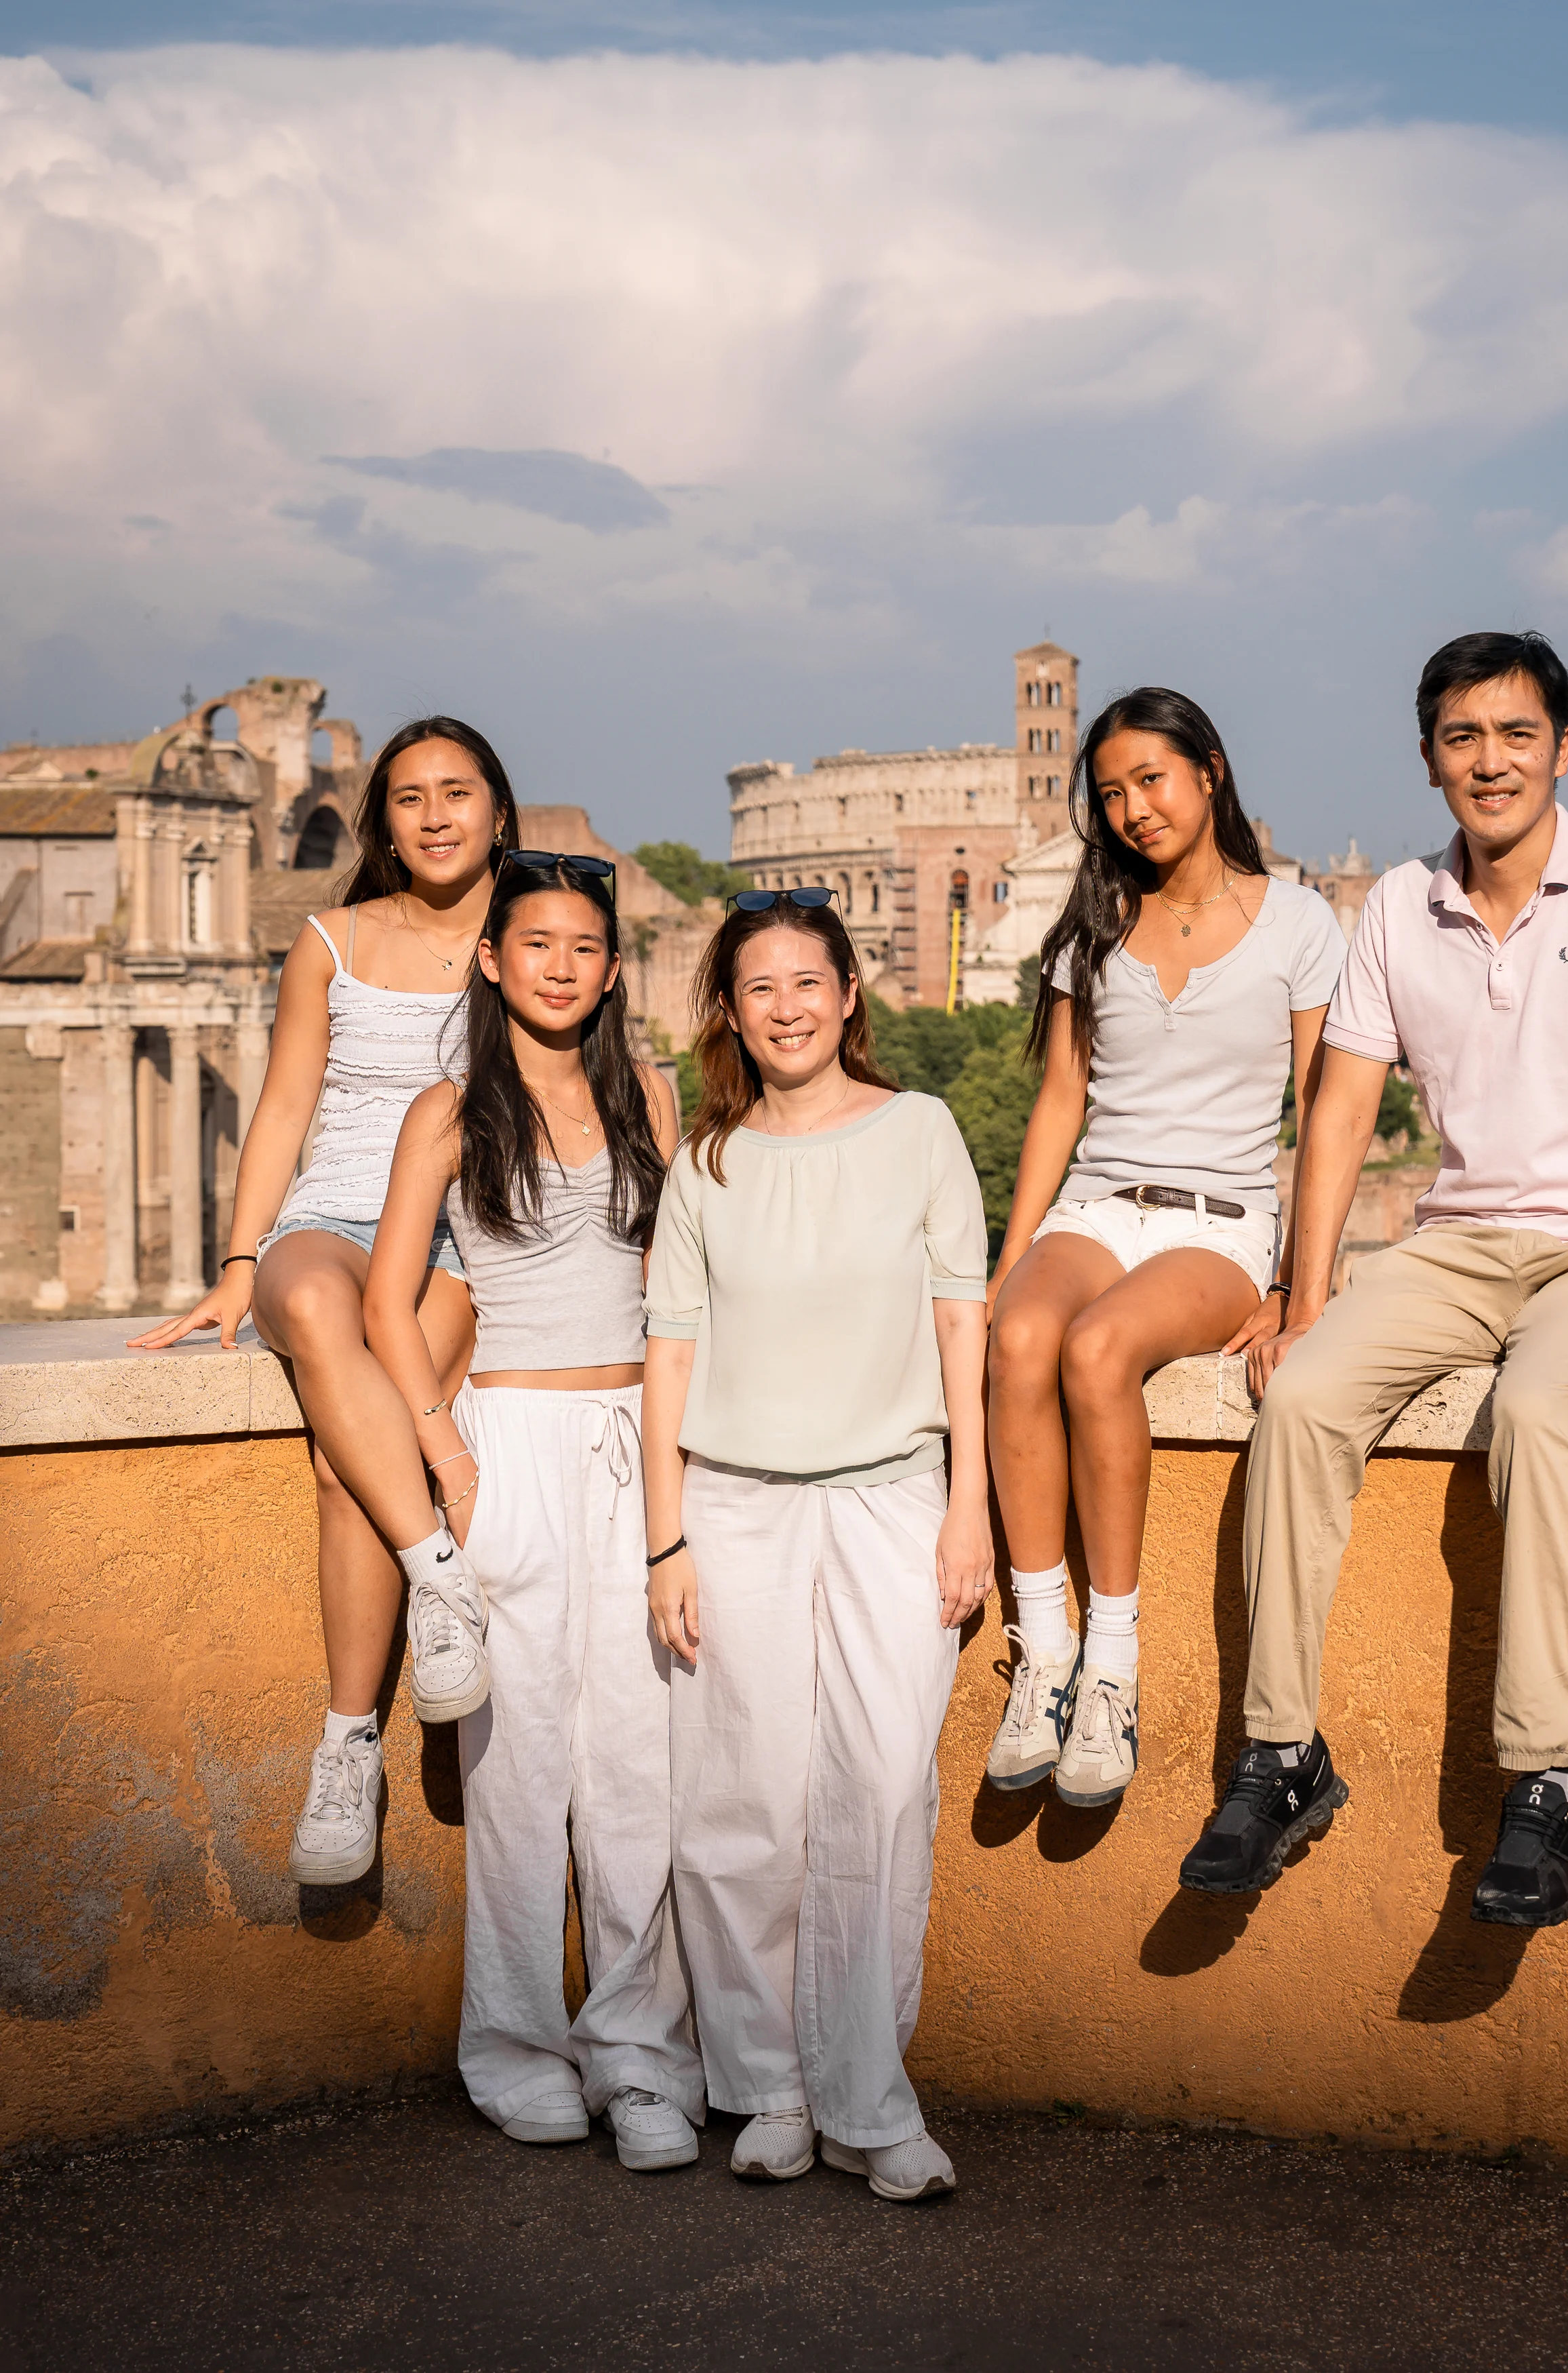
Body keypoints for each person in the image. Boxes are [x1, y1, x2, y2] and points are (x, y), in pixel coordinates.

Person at [1178, 631, 1568, 1921]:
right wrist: (1303, 1301)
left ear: (1563, 749)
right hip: (1459, 1246)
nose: (1491, 760)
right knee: (1301, 1398)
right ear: (1429, 760)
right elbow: (1340, 1115)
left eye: (1517, 734)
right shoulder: (1399, 909)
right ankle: (1282, 1753)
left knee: (1533, 1411)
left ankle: (1549, 1782)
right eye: (1463, 737)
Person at [641, 888, 990, 2203]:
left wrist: (968, 1504)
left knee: (883, 1791)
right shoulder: (707, 1164)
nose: (785, 1007)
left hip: (894, 1497)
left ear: (848, 994)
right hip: (733, 1505)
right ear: (730, 1014)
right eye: (758, 988)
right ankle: (769, 2089)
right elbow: (670, 1358)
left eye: (807, 982)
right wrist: (665, 1543)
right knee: (740, 1803)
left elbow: (962, 1325)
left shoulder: (921, 1131)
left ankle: (866, 2096)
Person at [132, 719, 519, 1886]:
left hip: (462, 1233)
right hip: (334, 1214)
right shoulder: (330, 940)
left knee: (346, 1464)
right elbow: (286, 1105)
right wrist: (236, 1260)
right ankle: (439, 1576)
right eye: (410, 797)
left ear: (499, 809)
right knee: (300, 1297)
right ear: (382, 823)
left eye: (457, 792)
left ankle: (346, 1745)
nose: (435, 815)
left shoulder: (531, 931)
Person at [361, 852, 702, 2166]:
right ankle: (511, 2050)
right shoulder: (448, 1110)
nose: (561, 966)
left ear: (612, 970)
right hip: (508, 1442)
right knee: (515, 1769)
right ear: (493, 960)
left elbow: (678, 1285)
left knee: (636, 1766)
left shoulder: (648, 1095)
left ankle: (640, 2056)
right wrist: (444, 1448)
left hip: (637, 1443)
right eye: (537, 943)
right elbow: (389, 1300)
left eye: (584, 946)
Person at [984, 689, 1344, 1810]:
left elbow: (1322, 1113)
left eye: (1152, 780)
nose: (1134, 808)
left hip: (1221, 1222)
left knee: (1098, 1352)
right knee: (1022, 1336)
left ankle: (1113, 1665)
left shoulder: (1298, 923)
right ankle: (1044, 1649)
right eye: (1111, 794)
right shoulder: (1093, 928)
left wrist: (1297, 1285)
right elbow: (1060, 1100)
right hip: (1098, 1204)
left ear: (1209, 772)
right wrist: (1010, 1260)